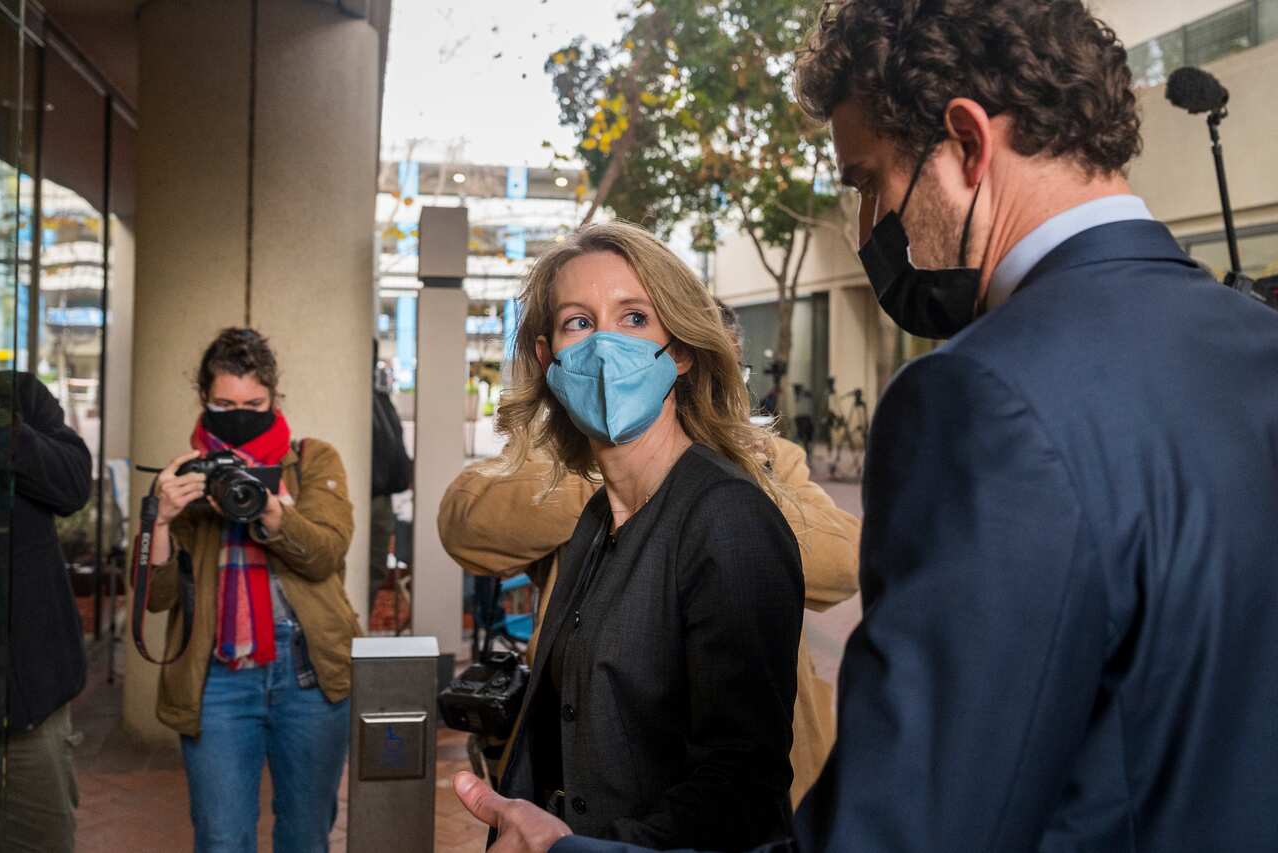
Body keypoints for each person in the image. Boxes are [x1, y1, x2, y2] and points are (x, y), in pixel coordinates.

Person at [451, 1, 1278, 851]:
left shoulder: (977, 397)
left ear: (965, 143)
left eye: (868, 181)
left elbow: (898, 830)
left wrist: (565, 850)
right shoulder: (1260, 347)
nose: (866, 227)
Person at [461, 221, 806, 851]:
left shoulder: (726, 519)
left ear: (679, 351)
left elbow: (742, 790)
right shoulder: (596, 518)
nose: (604, 346)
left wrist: (572, 849)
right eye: (579, 323)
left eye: (635, 317)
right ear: (549, 359)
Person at [439, 300, 861, 806]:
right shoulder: (569, 459)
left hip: (748, 791)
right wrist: (620, 471)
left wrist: (703, 476)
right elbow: (465, 522)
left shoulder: (770, 461)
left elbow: (842, 563)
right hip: (591, 781)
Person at [143, 328, 358, 852]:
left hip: (308, 670)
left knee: (306, 834)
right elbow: (157, 598)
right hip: (217, 675)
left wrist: (269, 507)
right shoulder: (184, 476)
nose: (239, 414)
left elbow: (328, 554)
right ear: (204, 400)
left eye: (253, 403)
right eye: (224, 403)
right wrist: (163, 520)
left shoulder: (312, 461)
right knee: (221, 837)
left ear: (273, 398)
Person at [0, 373, 92, 852]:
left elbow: (74, 485)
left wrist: (10, 433)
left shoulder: (19, 396)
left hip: (30, 698)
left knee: (40, 838)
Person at [370, 341, 411, 595]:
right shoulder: (372, 400)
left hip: (381, 498)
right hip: (372, 497)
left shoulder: (379, 398)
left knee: (374, 571)